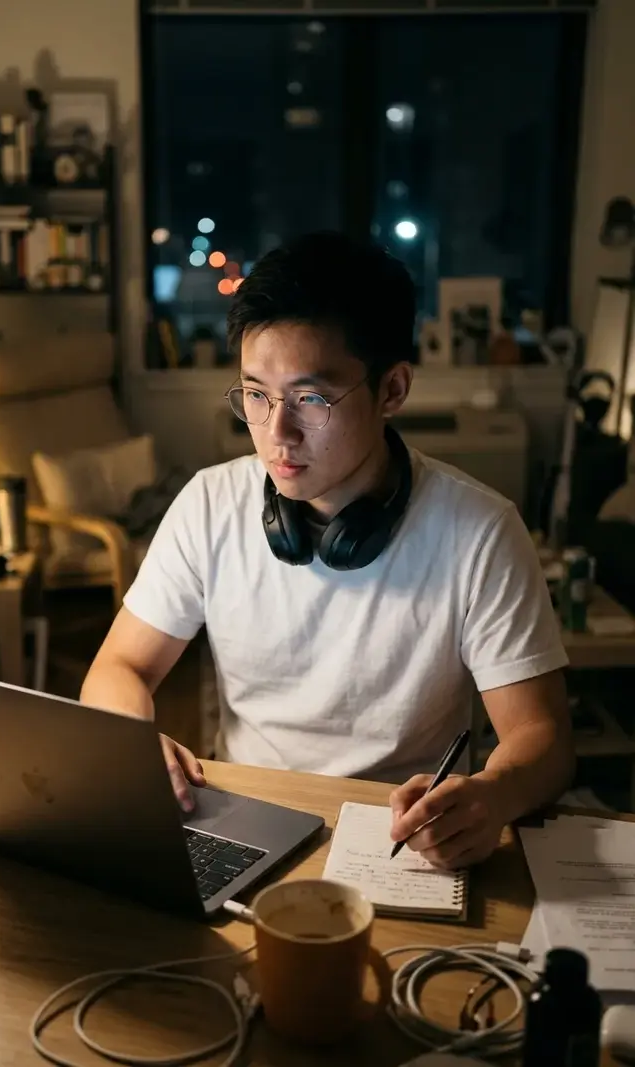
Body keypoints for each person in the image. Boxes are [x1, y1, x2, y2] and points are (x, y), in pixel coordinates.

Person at [82, 232, 573, 870]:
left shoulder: (479, 530)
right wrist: (132, 743)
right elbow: (118, 666)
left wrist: (492, 795)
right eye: (255, 394)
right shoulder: (209, 504)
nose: (275, 433)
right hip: (244, 821)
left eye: (311, 398)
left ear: (392, 390)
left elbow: (544, 738)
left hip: (400, 840)